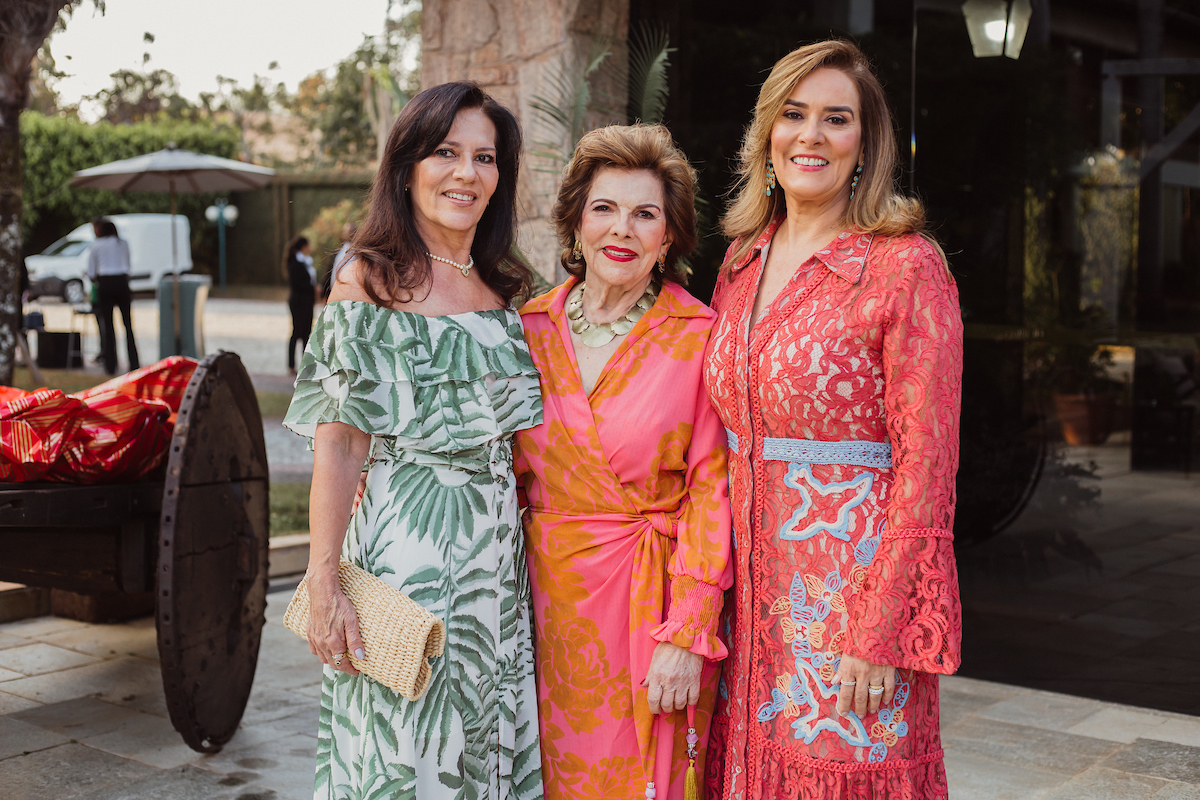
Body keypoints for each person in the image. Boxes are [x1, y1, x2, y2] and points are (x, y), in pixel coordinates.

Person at [702, 40, 963, 799]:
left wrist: (882, 630)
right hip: (746, 609)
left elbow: (928, 463)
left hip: (847, 608)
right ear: (767, 134)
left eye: (835, 119)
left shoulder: (905, 267)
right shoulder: (740, 259)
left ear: (865, 145)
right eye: (793, 115)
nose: (809, 135)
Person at [282, 81, 545, 799]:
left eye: (485, 157)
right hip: (406, 560)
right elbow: (338, 445)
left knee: (486, 747)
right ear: (406, 168)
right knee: (407, 755)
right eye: (445, 152)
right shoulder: (367, 280)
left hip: (498, 571)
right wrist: (325, 578)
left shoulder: (507, 288)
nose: (467, 173)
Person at [513, 124, 733, 800]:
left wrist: (688, 632)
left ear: (670, 236)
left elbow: (711, 490)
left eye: (646, 214)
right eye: (605, 208)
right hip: (534, 612)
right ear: (576, 221)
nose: (623, 230)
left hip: (649, 612)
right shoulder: (528, 329)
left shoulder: (699, 337)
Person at [88, 218, 140, 375]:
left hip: (105, 283)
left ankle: (111, 365)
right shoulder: (122, 244)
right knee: (128, 325)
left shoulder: (96, 246)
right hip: (122, 282)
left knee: (108, 327)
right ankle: (133, 363)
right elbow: (128, 266)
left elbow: (91, 273)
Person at [285, 235, 317, 374]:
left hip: (308, 301)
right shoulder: (295, 263)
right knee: (297, 331)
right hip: (298, 301)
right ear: (304, 247)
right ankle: (291, 365)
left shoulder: (306, 262)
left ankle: (305, 364)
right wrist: (313, 288)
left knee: (306, 333)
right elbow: (297, 284)